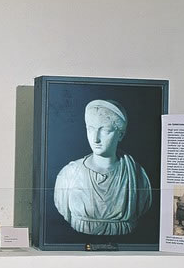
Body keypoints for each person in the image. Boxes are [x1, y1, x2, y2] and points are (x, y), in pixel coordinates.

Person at [53, 100, 152, 235]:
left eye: (104, 130)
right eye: (90, 129)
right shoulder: (69, 174)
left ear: (120, 134)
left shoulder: (136, 175)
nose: (95, 139)